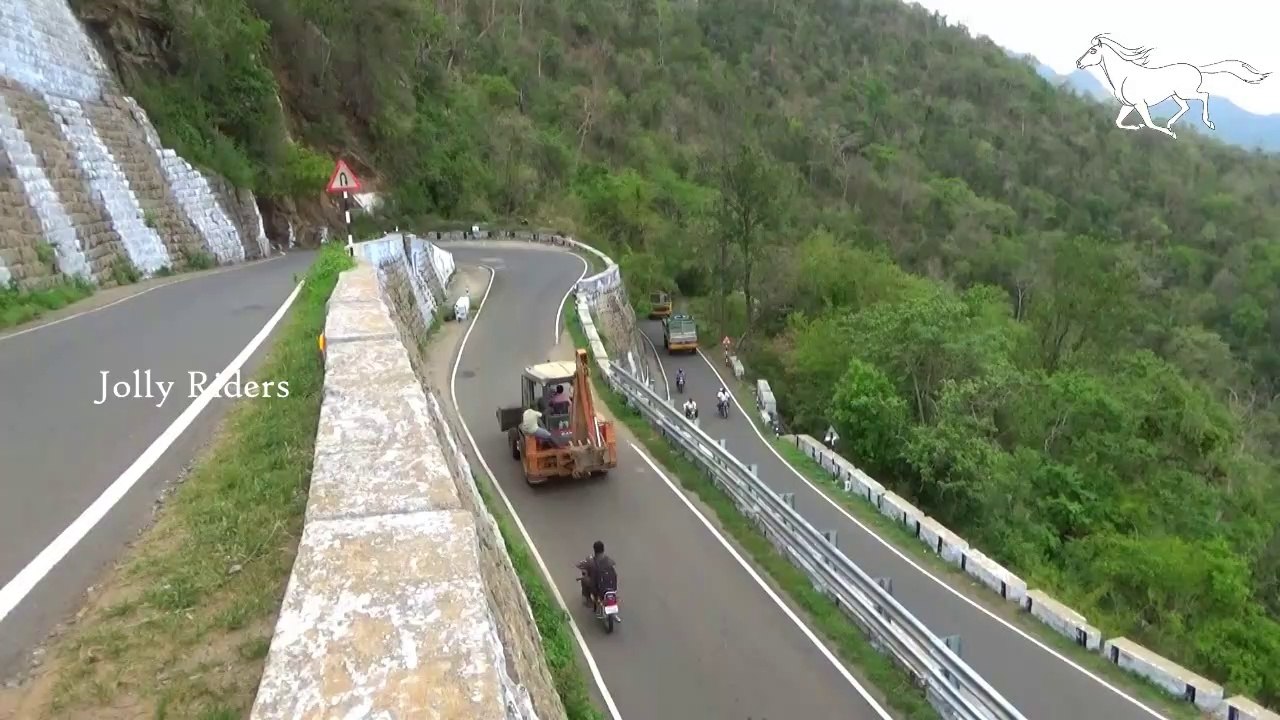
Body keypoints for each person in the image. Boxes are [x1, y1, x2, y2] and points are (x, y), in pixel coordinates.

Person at [576, 540, 617, 617]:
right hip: (612, 588)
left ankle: (588, 600)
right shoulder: (609, 560)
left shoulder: (590, 560)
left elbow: (578, 565)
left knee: (584, 579)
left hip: (597, 589)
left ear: (594, 550)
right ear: (603, 549)